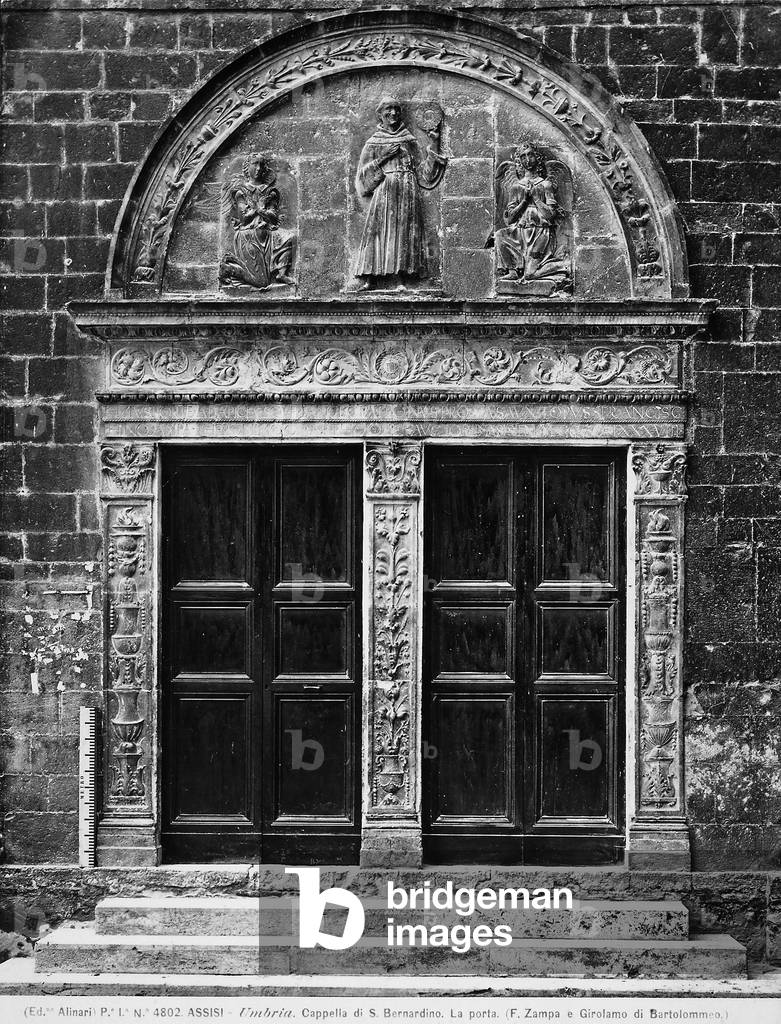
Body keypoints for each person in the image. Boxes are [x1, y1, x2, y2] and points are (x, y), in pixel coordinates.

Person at [354, 95, 447, 289]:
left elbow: (424, 174)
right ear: (380, 115)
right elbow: (362, 180)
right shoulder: (373, 143)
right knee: (377, 232)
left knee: (404, 233)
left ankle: (401, 277)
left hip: (407, 190)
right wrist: (383, 157)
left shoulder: (409, 140)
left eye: (396, 109)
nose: (393, 113)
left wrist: (434, 144)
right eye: (388, 109)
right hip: (385, 191)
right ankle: (371, 276)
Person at [491, 142, 571, 289]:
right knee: (500, 235)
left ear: (537, 157)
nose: (527, 159)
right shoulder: (516, 187)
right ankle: (513, 270)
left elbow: (551, 215)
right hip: (520, 232)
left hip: (541, 232)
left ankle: (562, 265)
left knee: (530, 275)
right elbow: (510, 219)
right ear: (519, 161)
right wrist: (524, 201)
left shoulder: (545, 185)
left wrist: (536, 198)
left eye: (530, 154)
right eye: (523, 156)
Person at [219, 153, 295, 289]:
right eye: (255, 164)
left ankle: (281, 273)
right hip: (249, 234)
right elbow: (244, 217)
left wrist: (263, 211)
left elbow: (273, 215)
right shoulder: (241, 192)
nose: (258, 168)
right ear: (247, 168)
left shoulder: (270, 191)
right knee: (261, 283)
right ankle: (229, 269)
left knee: (289, 238)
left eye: (261, 165)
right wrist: (260, 207)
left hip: (268, 233)